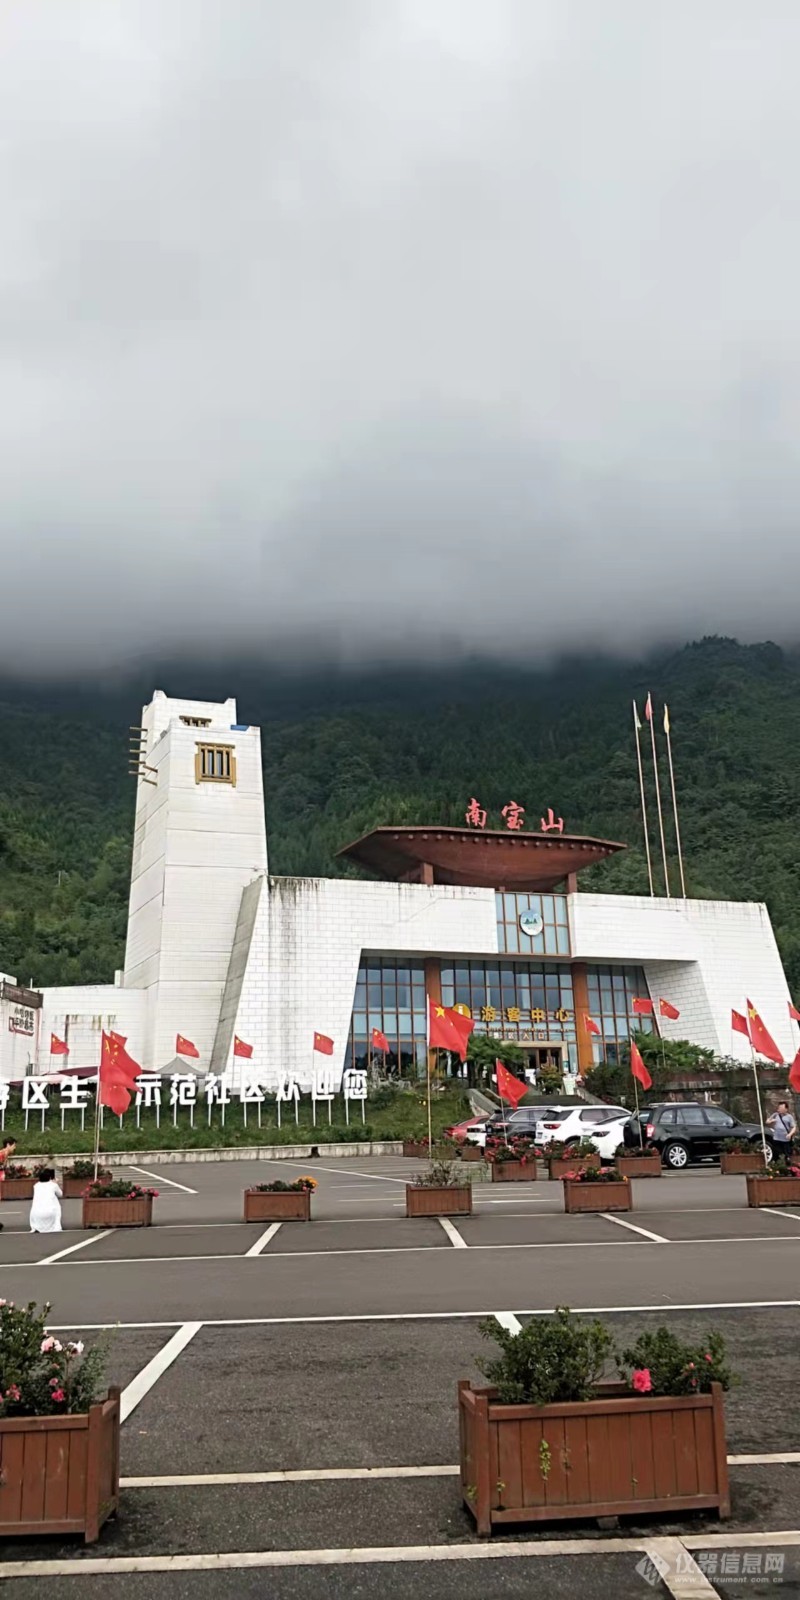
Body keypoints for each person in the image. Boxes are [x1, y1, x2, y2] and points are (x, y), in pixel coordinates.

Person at [29, 1167, 62, 1234]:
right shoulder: (53, 1185)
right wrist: (56, 1183)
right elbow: (60, 1194)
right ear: (49, 1178)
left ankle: (36, 1227)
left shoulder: (36, 1186)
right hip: (50, 1213)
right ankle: (56, 1225)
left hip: (36, 1215)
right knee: (55, 1201)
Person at [0, 1136, 17, 1233]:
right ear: (8, 1145)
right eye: (14, 1145)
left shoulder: (4, 1155)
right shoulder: (1, 1154)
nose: (15, 1148)